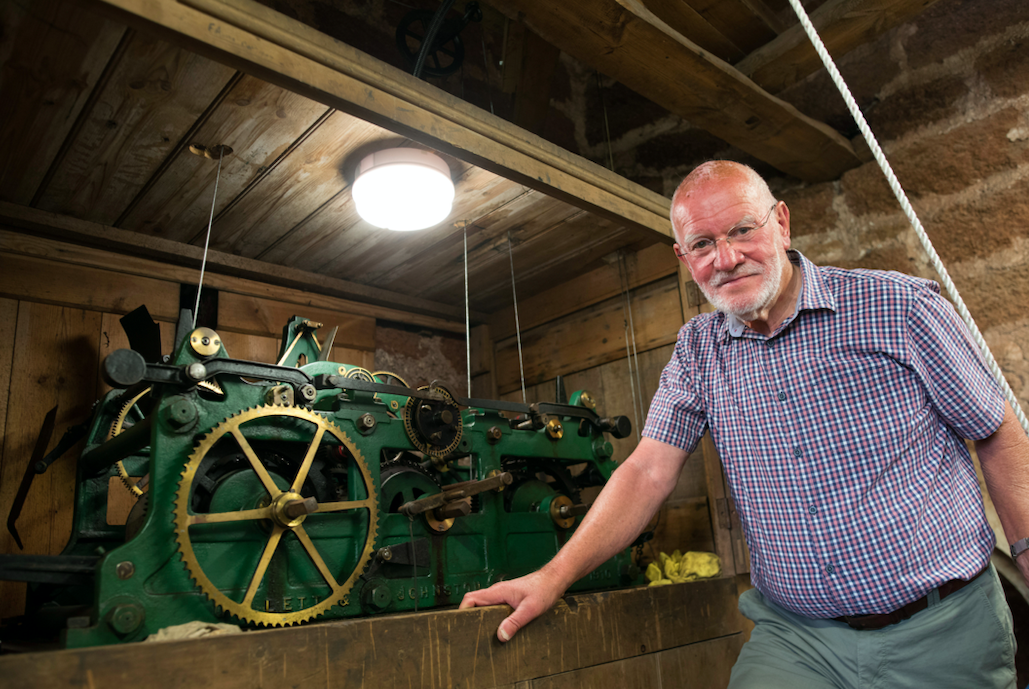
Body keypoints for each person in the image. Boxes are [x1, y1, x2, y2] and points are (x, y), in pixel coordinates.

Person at [460, 160, 1029, 688]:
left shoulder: (897, 307)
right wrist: (552, 577)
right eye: (702, 244)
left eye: (740, 231)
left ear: (781, 223)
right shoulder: (698, 350)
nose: (726, 258)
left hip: (941, 628)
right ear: (683, 259)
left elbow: (996, 433)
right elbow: (648, 471)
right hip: (798, 638)